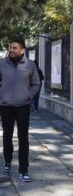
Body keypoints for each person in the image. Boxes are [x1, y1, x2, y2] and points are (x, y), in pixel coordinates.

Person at [0, 39, 40, 182]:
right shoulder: (2, 63)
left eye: (14, 48)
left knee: (23, 138)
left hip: (23, 107)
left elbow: (36, 83)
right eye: (10, 47)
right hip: (6, 106)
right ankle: (7, 160)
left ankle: (24, 170)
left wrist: (27, 96)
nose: (11, 50)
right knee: (7, 135)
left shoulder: (30, 65)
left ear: (22, 50)